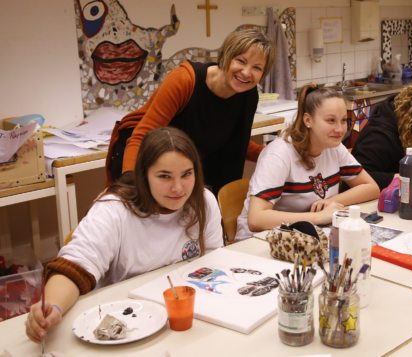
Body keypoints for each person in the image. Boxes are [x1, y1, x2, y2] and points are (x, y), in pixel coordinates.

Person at [26, 127, 223, 343]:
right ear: (144, 175)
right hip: (125, 326)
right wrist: (53, 306)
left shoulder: (203, 201)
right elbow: (75, 266)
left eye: (187, 174)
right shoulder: (113, 210)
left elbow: (212, 262)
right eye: (164, 176)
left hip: (183, 320)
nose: (178, 187)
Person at [106, 28, 275, 194]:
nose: (246, 73)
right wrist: (129, 183)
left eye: (257, 68)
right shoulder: (185, 80)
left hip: (181, 165)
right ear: (226, 56)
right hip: (138, 156)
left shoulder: (248, 95)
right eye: (241, 61)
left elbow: (235, 143)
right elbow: (142, 135)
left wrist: (279, 153)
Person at [235, 84, 380, 240]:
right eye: (331, 120)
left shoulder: (334, 147)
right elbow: (256, 219)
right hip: (257, 243)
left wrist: (331, 201)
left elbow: (371, 188)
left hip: (303, 236)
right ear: (308, 120)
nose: (339, 129)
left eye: (344, 120)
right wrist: (318, 217)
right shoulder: (279, 154)